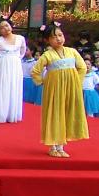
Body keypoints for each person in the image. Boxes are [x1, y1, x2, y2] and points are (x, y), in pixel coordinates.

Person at [31, 22, 89, 158]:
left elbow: (82, 68)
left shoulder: (72, 52)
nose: (58, 39)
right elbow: (35, 71)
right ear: (48, 40)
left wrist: (76, 83)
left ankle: (61, 146)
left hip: (70, 89)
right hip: (54, 91)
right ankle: (53, 146)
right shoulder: (47, 55)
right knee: (55, 114)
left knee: (66, 113)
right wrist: (44, 82)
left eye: (60, 35)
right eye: (54, 37)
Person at [0, 17, 27, 123]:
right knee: (2, 88)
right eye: (2, 28)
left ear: (11, 25)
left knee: (13, 86)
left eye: (7, 25)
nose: (6, 28)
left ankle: (11, 114)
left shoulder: (20, 39)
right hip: (1, 67)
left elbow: (22, 52)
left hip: (15, 66)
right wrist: (0, 64)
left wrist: (14, 59)